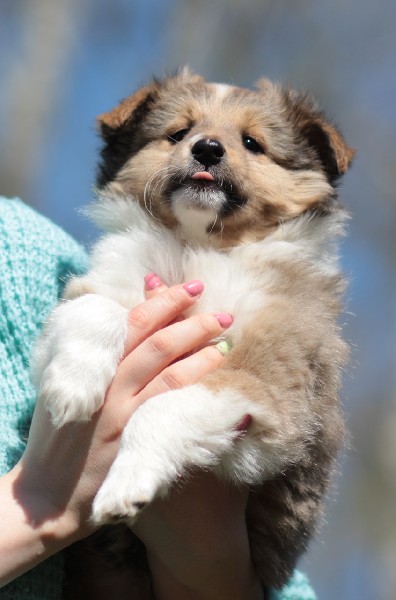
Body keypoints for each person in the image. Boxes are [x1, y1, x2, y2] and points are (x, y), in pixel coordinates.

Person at [0, 197, 316, 599]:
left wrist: (217, 569)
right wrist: (41, 497)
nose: (207, 146)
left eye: (253, 145)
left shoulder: (35, 246)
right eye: (177, 132)